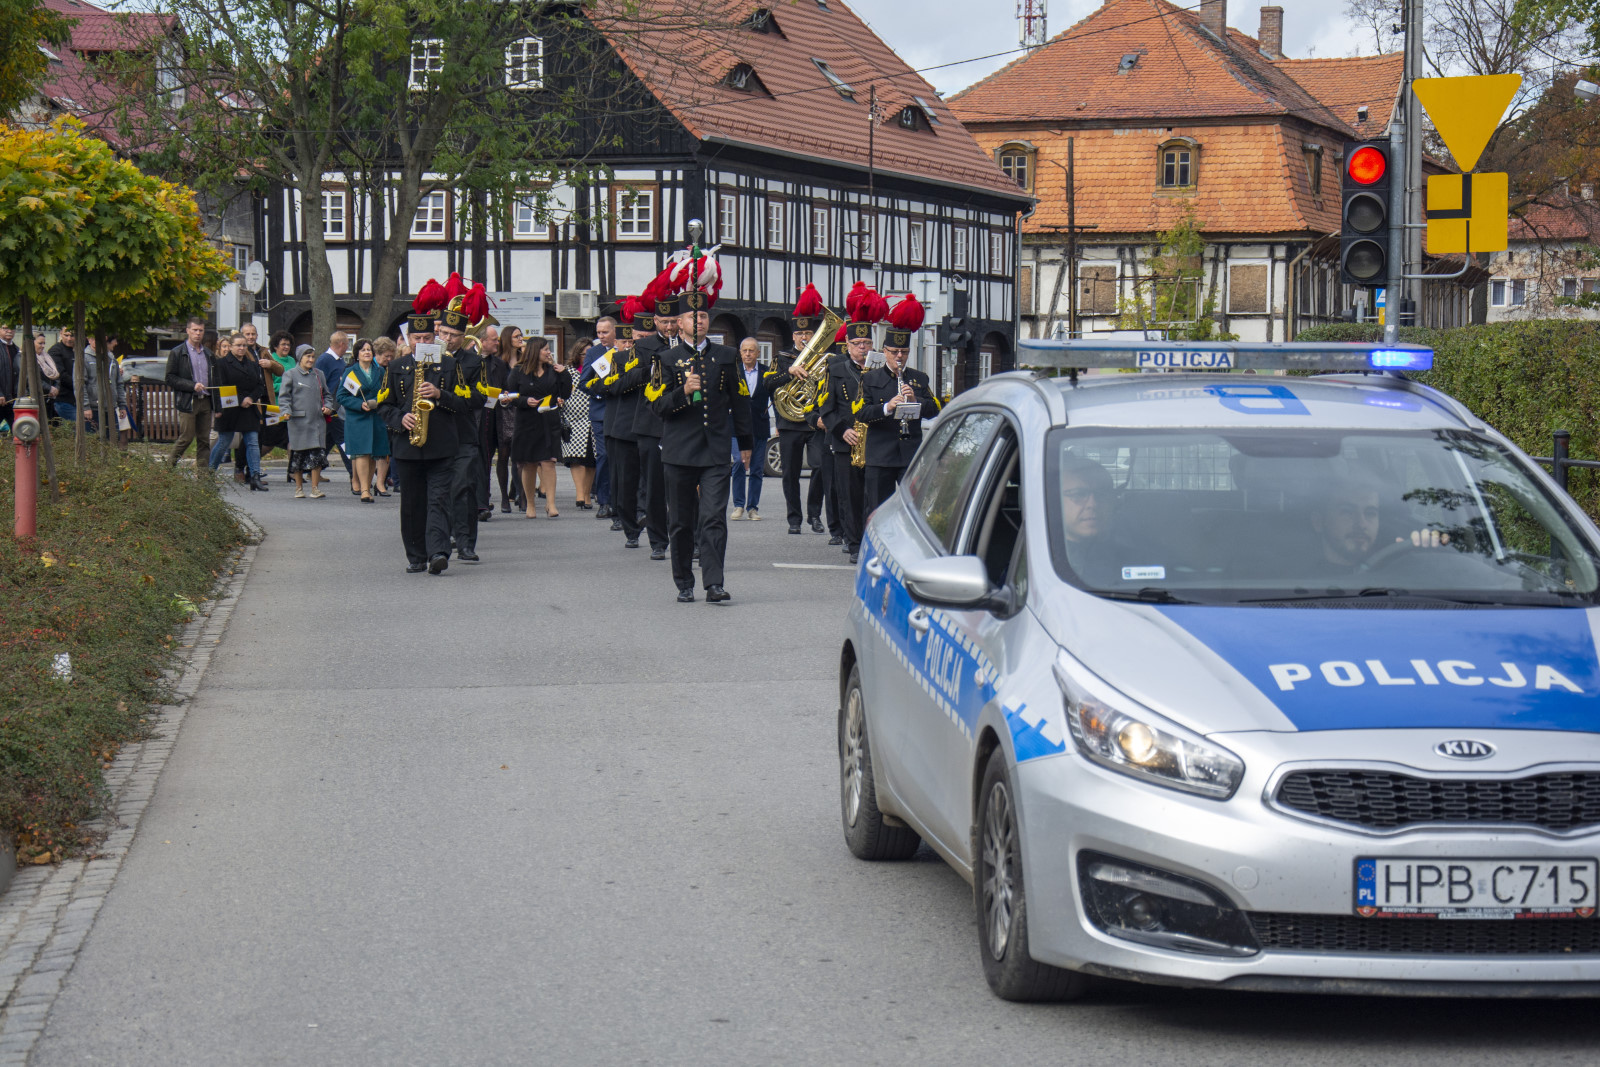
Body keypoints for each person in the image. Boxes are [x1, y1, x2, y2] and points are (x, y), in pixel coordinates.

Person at [650, 288, 753, 604]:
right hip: (679, 452)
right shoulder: (666, 359)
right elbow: (656, 406)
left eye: (704, 315)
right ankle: (684, 582)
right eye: (692, 316)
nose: (699, 321)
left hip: (715, 450)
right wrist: (682, 392)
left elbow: (741, 401)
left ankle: (714, 583)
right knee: (681, 522)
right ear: (679, 323)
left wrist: (745, 443)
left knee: (713, 518)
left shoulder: (727, 356)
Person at [378, 306, 469, 574]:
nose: (421, 343)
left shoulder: (449, 364)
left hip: (441, 446)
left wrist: (440, 394)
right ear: (409, 340)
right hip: (408, 446)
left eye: (427, 338)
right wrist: (400, 419)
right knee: (412, 503)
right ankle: (416, 555)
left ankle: (438, 552)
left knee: (438, 501)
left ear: (434, 338)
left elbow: (464, 403)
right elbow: (384, 405)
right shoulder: (396, 367)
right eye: (417, 338)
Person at [860, 296, 940, 512]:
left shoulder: (919, 378)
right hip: (880, 456)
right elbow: (862, 413)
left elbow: (935, 409)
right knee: (877, 509)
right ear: (884, 351)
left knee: (913, 509)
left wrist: (915, 400)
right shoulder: (870, 378)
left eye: (904, 352)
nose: (899, 356)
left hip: (909, 456)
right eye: (894, 352)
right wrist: (887, 407)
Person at [765, 285, 831, 536]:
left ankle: (814, 514)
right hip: (789, 422)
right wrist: (788, 372)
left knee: (820, 467)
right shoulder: (781, 358)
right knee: (789, 473)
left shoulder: (823, 358)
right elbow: (768, 385)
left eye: (808, 333)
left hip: (814, 422)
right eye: (800, 333)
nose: (804, 337)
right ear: (793, 336)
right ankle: (794, 518)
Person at [816, 307, 876, 564]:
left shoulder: (880, 369)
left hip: (875, 442)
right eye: (857, 343)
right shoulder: (836, 369)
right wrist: (842, 430)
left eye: (867, 343)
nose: (862, 348)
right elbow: (826, 409)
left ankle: (872, 541)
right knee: (849, 496)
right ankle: (854, 544)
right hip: (846, 442)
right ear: (848, 345)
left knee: (873, 496)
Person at [581, 315, 646, 546]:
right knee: (608, 461)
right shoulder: (601, 356)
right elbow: (587, 383)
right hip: (606, 415)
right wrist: (605, 391)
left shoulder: (641, 357)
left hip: (635, 418)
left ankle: (638, 509)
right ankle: (608, 503)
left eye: (631, 341)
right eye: (624, 342)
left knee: (636, 468)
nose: (627, 345)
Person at [435, 304, 488, 561]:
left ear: (463, 336)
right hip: (435, 433)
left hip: (463, 433)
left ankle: (466, 543)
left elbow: (480, 397)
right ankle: (441, 540)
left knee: (463, 488)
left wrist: (452, 396)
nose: (447, 339)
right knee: (439, 491)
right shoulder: (428, 358)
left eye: (453, 335)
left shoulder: (474, 361)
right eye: (444, 333)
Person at [507, 336, 571, 519]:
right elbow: (511, 396)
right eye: (545, 349)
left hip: (548, 420)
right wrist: (525, 401)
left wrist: (564, 373)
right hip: (526, 421)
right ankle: (530, 504)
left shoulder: (553, 371)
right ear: (535, 351)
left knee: (549, 462)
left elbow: (565, 393)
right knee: (529, 463)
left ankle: (551, 504)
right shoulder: (518, 371)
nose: (548, 352)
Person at [630, 305, 671, 560]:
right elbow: (631, 376)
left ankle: (693, 539)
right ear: (656, 321)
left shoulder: (691, 346)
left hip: (682, 423)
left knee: (686, 486)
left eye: (674, 321)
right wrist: (655, 367)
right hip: (651, 423)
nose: (669, 327)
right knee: (654, 487)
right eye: (664, 322)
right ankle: (658, 540)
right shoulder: (644, 347)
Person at [208, 333, 270, 491]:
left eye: (244, 345)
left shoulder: (252, 365)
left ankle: (255, 476)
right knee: (224, 442)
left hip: (249, 408)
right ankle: (209, 475)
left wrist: (251, 397)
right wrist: (241, 398)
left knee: (253, 441)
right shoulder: (221, 364)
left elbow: (260, 385)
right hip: (230, 408)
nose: (242, 348)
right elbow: (221, 386)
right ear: (231, 347)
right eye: (238, 345)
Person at [338, 337, 390, 502]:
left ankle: (368, 485)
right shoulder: (351, 372)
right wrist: (359, 404)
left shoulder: (380, 371)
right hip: (358, 418)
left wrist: (377, 401)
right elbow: (341, 396)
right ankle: (364, 490)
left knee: (373, 453)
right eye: (363, 350)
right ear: (357, 354)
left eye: (369, 350)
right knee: (361, 453)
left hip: (376, 417)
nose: (367, 352)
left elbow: (387, 392)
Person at [279, 344, 335, 497]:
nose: (311, 360)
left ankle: (315, 488)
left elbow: (327, 395)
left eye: (312, 357)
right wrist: (285, 411)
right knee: (299, 455)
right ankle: (299, 488)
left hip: (317, 422)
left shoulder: (319, 374)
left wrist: (328, 406)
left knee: (317, 455)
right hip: (298, 422)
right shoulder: (290, 375)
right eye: (307, 356)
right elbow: (284, 397)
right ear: (300, 358)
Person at [165, 317, 217, 469]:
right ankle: (167, 469)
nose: (198, 333)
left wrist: (217, 405)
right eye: (195, 330)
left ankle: (203, 476)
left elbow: (215, 378)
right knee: (186, 437)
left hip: (206, 400)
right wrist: (192, 385)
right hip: (188, 400)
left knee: (204, 440)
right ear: (188, 331)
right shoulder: (178, 352)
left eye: (201, 330)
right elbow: (170, 378)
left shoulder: (208, 353)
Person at [730, 337, 772, 521]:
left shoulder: (766, 372)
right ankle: (738, 505)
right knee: (739, 464)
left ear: (758, 353)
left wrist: (780, 424)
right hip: (737, 427)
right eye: (744, 350)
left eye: (751, 351)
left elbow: (776, 398)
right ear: (740, 353)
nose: (748, 354)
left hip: (759, 426)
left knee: (756, 469)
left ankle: (752, 508)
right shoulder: (733, 372)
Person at [583, 317, 617, 521]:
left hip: (621, 410)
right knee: (604, 455)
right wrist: (599, 392)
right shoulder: (594, 352)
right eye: (599, 332)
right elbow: (584, 382)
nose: (601, 336)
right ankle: (604, 500)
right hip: (601, 411)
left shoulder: (624, 350)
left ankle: (621, 499)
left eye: (605, 332)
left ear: (615, 331)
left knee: (620, 456)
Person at [558, 342, 598, 510]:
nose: (587, 357)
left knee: (591, 461)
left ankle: (587, 494)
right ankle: (580, 493)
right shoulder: (568, 372)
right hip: (573, 420)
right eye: (583, 354)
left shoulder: (597, 370)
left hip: (592, 419)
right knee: (576, 459)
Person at [315, 331, 356, 493]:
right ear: (341, 344)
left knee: (328, 441)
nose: (347, 348)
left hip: (337, 407)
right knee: (343, 440)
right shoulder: (325, 360)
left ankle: (312, 469)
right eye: (347, 344)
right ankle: (353, 474)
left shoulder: (339, 361)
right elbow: (318, 383)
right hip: (331, 409)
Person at [372, 338, 397, 496]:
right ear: (378, 354)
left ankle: (380, 483)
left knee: (385, 449)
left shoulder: (389, 369)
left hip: (386, 413)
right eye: (386, 356)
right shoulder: (372, 368)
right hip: (371, 412)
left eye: (391, 356)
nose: (389, 359)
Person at [0, 324, 18, 430]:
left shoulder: (16, 349)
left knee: (18, 430)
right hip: (1, 398)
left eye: (12, 328)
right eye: (5, 328)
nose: (9, 331)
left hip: (13, 400)